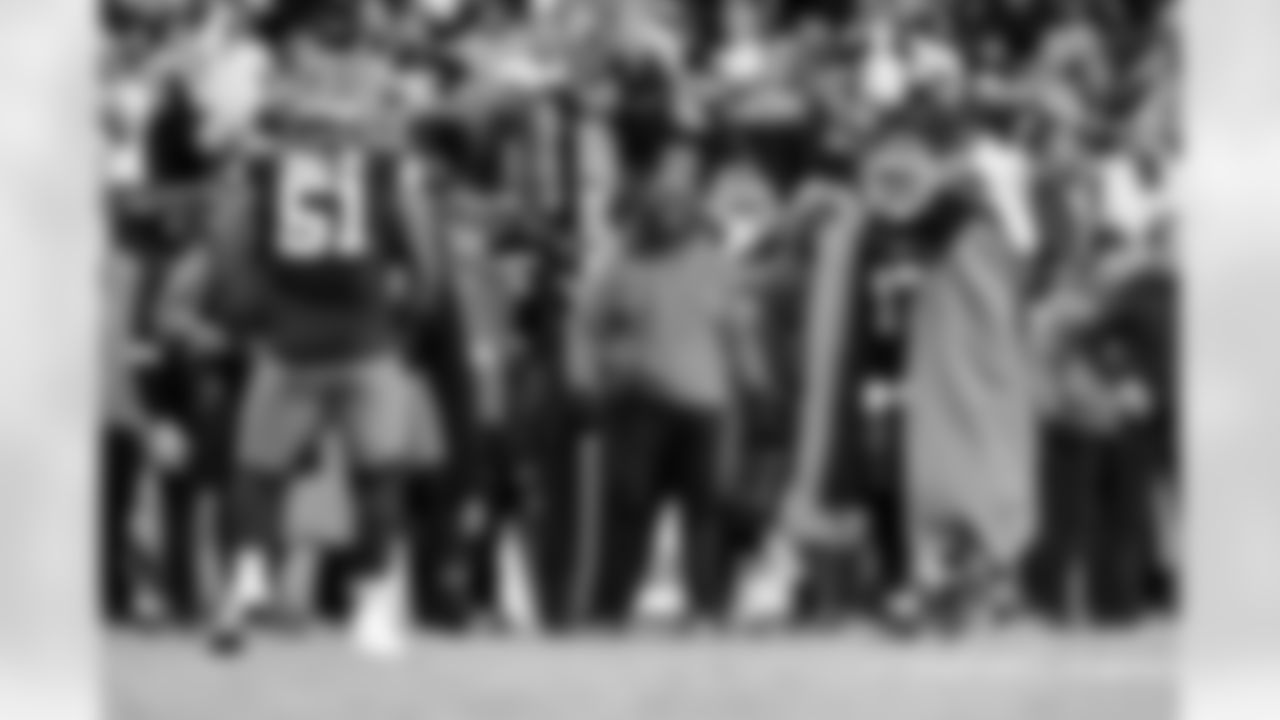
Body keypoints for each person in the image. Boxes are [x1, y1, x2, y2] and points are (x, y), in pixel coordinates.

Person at [173, 0, 448, 657]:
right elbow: (421, 245)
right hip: (365, 333)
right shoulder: (381, 131)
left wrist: (250, 313)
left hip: (290, 336)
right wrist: (412, 316)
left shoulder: (267, 134)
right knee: (377, 475)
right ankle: (374, 608)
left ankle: (243, 584)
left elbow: (232, 240)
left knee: (256, 474)